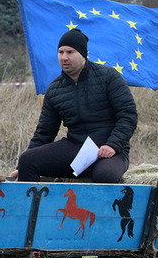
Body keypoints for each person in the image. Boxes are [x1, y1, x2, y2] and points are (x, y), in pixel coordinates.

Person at [10, 28, 137, 183]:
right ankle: (37, 207)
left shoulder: (109, 77)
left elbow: (128, 115)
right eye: (60, 52)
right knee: (27, 161)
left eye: (70, 52)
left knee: (105, 175)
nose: (64, 57)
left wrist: (113, 144)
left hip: (110, 150)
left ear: (83, 55)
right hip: (75, 148)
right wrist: (20, 167)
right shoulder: (55, 89)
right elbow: (44, 132)